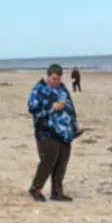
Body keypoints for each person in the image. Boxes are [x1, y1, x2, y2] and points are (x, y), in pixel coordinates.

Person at [27, 63, 79, 202]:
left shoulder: (62, 89)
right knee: (49, 160)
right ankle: (36, 189)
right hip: (47, 131)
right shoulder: (39, 90)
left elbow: (70, 107)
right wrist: (52, 108)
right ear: (48, 76)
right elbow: (33, 109)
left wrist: (74, 126)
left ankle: (57, 192)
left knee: (62, 161)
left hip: (64, 132)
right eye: (54, 79)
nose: (56, 82)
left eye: (58, 79)